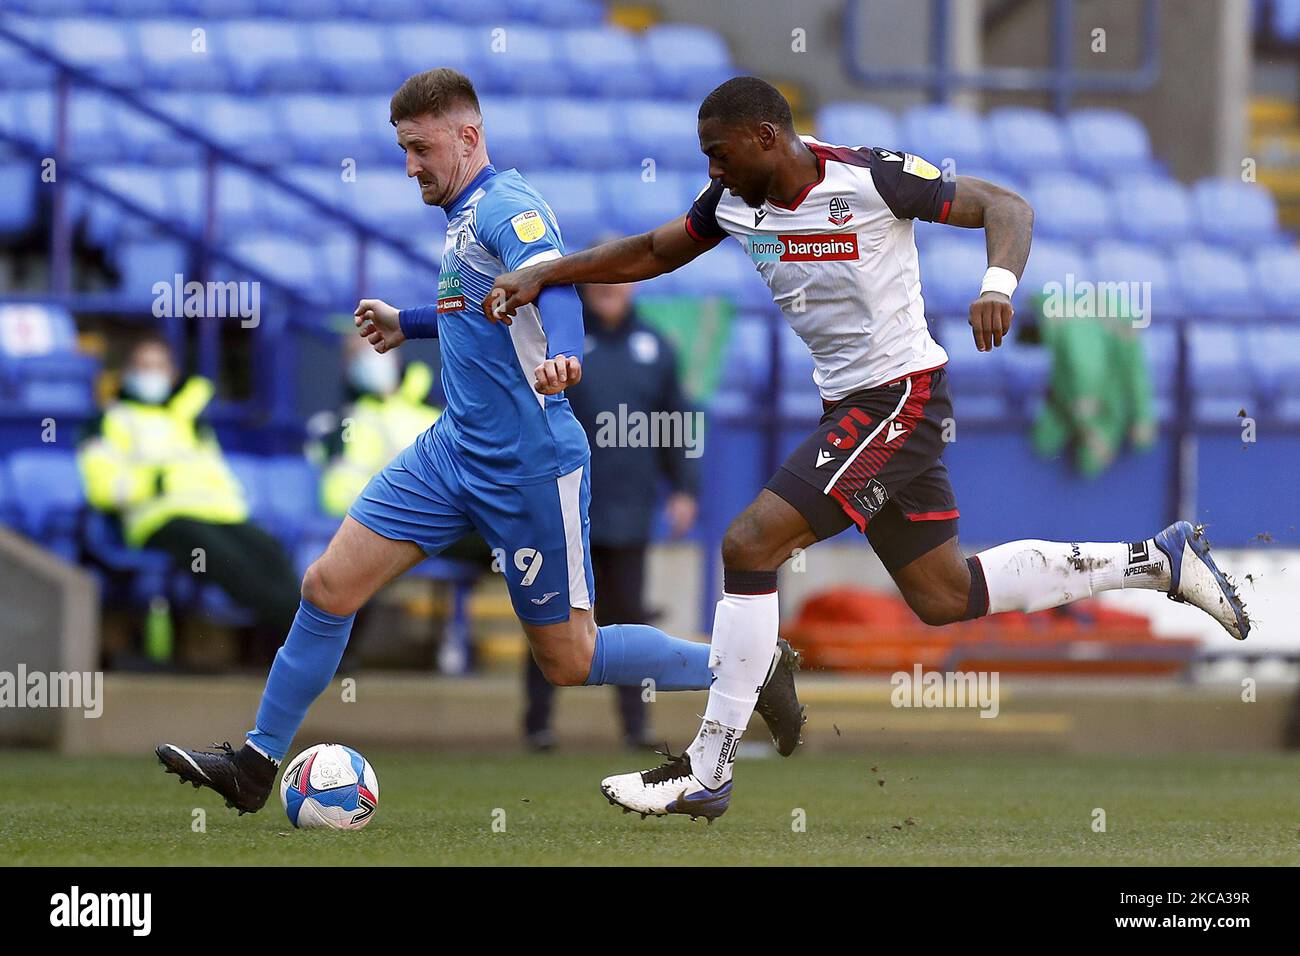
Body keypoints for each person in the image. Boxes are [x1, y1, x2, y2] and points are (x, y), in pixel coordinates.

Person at [483, 76, 1252, 821]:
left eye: (720, 152)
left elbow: (1005, 205)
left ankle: (707, 766)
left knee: (750, 542)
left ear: (766, 137)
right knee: (942, 594)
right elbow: (652, 251)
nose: (711, 170)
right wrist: (547, 274)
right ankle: (1158, 561)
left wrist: (996, 284)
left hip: (899, 400)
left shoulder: (871, 175)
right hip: (855, 408)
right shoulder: (733, 204)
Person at [154, 69, 803, 816]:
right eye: (402, 149)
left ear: (467, 137)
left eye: (420, 148)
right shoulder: (462, 214)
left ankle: (747, 668)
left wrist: (566, 352)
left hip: (529, 464)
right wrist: (410, 321)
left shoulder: (510, 207)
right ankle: (255, 763)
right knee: (328, 587)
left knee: (570, 659)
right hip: (452, 450)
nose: (409, 167)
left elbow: (551, 284)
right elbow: (479, 305)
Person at [522, 276, 700, 751]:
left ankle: (635, 726)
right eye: (597, 280)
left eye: (616, 280)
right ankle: (537, 724)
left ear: (632, 286)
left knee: (627, 616)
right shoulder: (563, 344)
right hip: (561, 505)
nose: (607, 288)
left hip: (628, 507)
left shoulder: (656, 347)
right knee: (549, 611)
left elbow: (676, 421)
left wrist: (683, 489)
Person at [79, 333, 299, 639]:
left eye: (159, 366)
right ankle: (299, 640)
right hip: (160, 520)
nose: (152, 375)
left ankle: (309, 637)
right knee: (229, 562)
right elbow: (102, 488)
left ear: (172, 374)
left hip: (220, 515)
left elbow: (214, 472)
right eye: (144, 366)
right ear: (127, 373)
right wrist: (156, 483)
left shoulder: (188, 419)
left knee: (270, 551)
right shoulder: (110, 421)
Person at [313, 336, 440, 518]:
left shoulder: (438, 413)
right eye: (358, 355)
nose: (373, 358)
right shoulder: (350, 422)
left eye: (379, 347)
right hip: (389, 525)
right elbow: (337, 496)